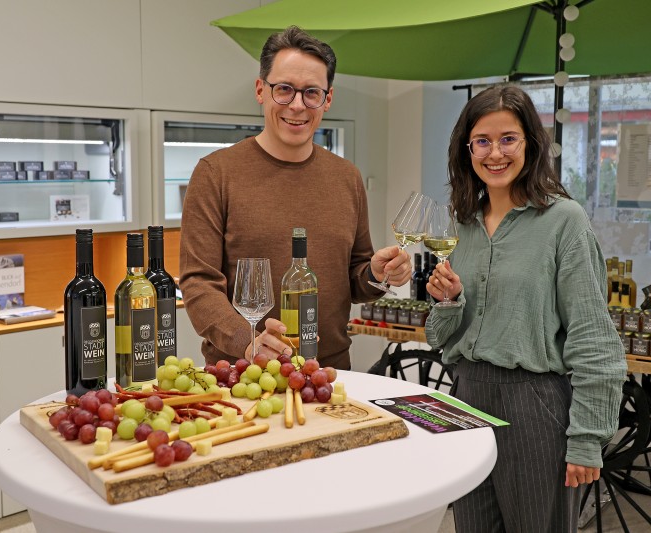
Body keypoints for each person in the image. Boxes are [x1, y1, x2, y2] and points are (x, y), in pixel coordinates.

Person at [424, 86, 627, 533]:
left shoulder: (564, 221)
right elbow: (439, 337)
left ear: (531, 145)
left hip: (534, 406)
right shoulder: (460, 224)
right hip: (466, 400)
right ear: (466, 149)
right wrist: (448, 302)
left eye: (508, 139)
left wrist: (587, 439)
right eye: (482, 141)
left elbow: (593, 338)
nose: (494, 153)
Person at [179, 26, 410, 369]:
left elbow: (355, 279)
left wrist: (377, 274)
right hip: (242, 374)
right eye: (284, 89)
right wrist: (247, 340)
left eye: (311, 93)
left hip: (328, 373)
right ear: (261, 90)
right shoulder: (216, 173)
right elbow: (199, 284)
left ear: (327, 99)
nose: (298, 105)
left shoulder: (347, 177)